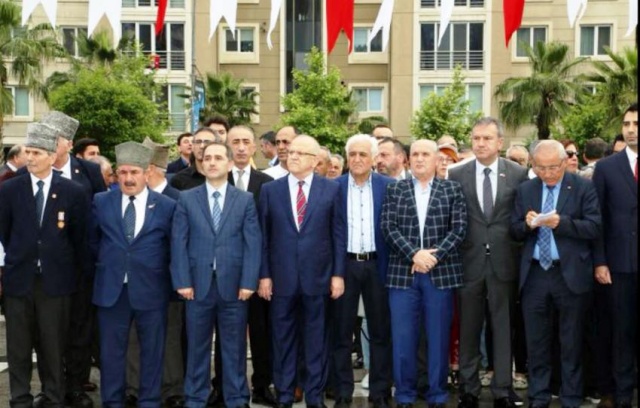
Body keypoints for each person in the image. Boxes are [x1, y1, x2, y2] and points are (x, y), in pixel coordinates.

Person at [0, 123, 90, 407]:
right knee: (18, 346)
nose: (30, 157)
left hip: (56, 283)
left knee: (53, 345)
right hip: (19, 280)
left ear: (52, 156)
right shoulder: (9, 189)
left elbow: (80, 239)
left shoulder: (73, 192)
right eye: (28, 151)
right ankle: (20, 398)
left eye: (37, 153)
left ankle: (53, 397)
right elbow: (5, 233)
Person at [510, 140, 601, 408]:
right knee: (536, 341)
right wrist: (527, 225)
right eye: (541, 168)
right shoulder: (526, 189)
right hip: (535, 275)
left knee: (571, 341)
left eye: (553, 167)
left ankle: (571, 396)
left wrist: (562, 223)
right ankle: (539, 396)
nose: (547, 173)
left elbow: (594, 227)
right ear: (533, 165)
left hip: (569, 274)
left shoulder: (582, 187)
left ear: (564, 162)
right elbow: (513, 230)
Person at [258, 135, 346, 408]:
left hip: (318, 278)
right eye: (291, 151)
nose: (292, 156)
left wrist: (338, 274)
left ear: (315, 160)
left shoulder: (331, 190)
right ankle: (284, 395)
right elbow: (263, 237)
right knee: (282, 340)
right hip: (281, 279)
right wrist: (264, 275)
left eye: (300, 153)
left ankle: (314, 397)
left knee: (316, 341)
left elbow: (338, 234)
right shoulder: (270, 190)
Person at [171, 141, 261, 408]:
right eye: (207, 158)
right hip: (197, 286)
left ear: (230, 164)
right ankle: (195, 398)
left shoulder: (244, 200)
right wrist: (182, 281)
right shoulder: (187, 198)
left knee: (234, 348)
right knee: (197, 347)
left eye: (218, 158)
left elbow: (253, 243)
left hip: (234, 287)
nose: (211, 162)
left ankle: (236, 398)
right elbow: (178, 242)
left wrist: (249, 282)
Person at [381, 139, 467, 408]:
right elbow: (388, 227)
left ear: (437, 159)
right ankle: (404, 394)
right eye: (415, 154)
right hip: (402, 275)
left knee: (438, 338)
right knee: (403, 338)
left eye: (425, 154)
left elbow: (459, 229)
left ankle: (437, 393)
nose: (419, 159)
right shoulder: (395, 189)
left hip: (439, 274)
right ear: (408, 159)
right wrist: (414, 254)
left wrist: (433, 257)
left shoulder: (452, 189)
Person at [448, 117, 528, 408]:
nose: (480, 143)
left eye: (487, 138)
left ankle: (502, 389)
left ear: (500, 142)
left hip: (504, 262)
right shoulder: (456, 173)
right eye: (476, 138)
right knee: (469, 329)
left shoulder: (518, 174)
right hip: (468, 262)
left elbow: (521, 217)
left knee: (503, 328)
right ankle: (468, 389)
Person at [91, 142, 176, 407]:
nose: (128, 178)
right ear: (117, 174)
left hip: (151, 290)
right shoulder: (101, 201)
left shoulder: (166, 205)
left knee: (153, 351)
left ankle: (149, 401)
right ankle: (112, 402)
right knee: (111, 353)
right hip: (111, 291)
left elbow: (172, 248)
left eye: (134, 172)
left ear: (147, 173)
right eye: (123, 172)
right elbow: (91, 242)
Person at [40, 110, 106, 408]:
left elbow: (101, 212)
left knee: (80, 328)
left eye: (55, 140)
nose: (49, 145)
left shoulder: (88, 171)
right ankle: (50, 389)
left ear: (68, 143)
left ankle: (76, 387)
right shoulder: (32, 172)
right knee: (48, 332)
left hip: (82, 265)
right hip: (46, 268)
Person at [333, 135, 394, 408]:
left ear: (374, 158)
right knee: (341, 332)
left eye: (363, 154)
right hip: (344, 266)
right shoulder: (333, 187)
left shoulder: (389, 186)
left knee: (380, 331)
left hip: (378, 264)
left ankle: (380, 391)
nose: (357, 159)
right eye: (352, 154)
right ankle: (342, 391)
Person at [123, 137, 183, 408]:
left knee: (169, 337)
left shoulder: (177, 198)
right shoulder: (128, 197)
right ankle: (134, 389)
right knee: (134, 337)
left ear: (151, 169)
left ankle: (172, 390)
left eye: (138, 168)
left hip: (167, 282)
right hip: (134, 282)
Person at [226, 125, 277, 407]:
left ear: (255, 147)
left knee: (260, 332)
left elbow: (268, 230)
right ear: (228, 146)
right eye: (235, 142)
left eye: (246, 141)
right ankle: (224, 387)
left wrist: (264, 272)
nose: (241, 147)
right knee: (227, 334)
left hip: (256, 270)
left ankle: (261, 385)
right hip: (223, 269)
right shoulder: (216, 179)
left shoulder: (266, 183)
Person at [592, 103, 638, 408]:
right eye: (627, 124)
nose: (631, 129)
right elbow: (598, 219)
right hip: (619, 265)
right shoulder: (607, 168)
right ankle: (622, 396)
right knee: (621, 333)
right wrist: (600, 261)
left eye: (636, 123)